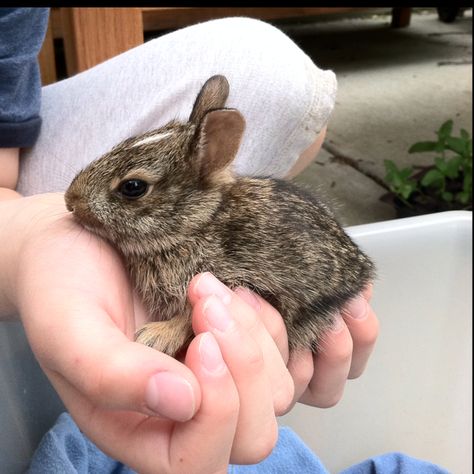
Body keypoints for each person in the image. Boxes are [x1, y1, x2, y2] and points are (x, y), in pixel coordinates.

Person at [0, 7, 386, 473]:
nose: (74, 201)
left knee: (272, 71)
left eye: (133, 190)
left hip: (312, 298)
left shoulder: (218, 240)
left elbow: (226, 295)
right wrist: (28, 241)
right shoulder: (175, 234)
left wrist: (180, 324)